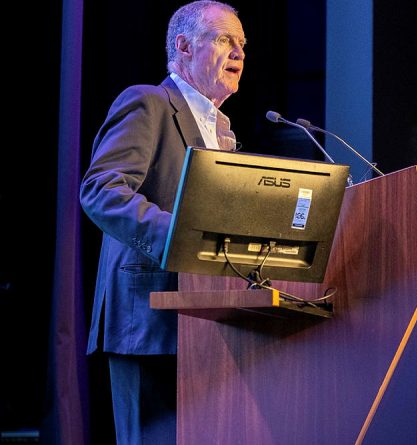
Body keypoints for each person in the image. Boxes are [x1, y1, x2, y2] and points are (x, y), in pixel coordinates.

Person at [79, 1, 245, 443]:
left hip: (210, 324)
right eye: (226, 39)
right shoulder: (149, 103)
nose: (240, 53)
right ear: (184, 46)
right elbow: (101, 190)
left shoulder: (223, 132)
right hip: (148, 322)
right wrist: (182, 236)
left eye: (243, 44)